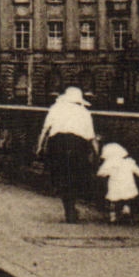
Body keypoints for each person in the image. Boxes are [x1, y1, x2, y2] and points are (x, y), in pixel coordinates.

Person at [35, 86, 99, 223]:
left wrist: (39, 146)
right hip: (77, 145)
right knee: (75, 177)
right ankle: (72, 208)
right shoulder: (84, 112)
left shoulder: (55, 108)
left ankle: (68, 209)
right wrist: (97, 154)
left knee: (62, 177)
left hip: (57, 144)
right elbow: (91, 137)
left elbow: (45, 129)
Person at [97, 142, 139, 224]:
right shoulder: (129, 162)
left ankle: (113, 216)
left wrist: (107, 173)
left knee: (113, 200)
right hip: (128, 186)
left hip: (115, 186)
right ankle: (126, 208)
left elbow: (100, 173)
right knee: (128, 198)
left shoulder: (108, 163)